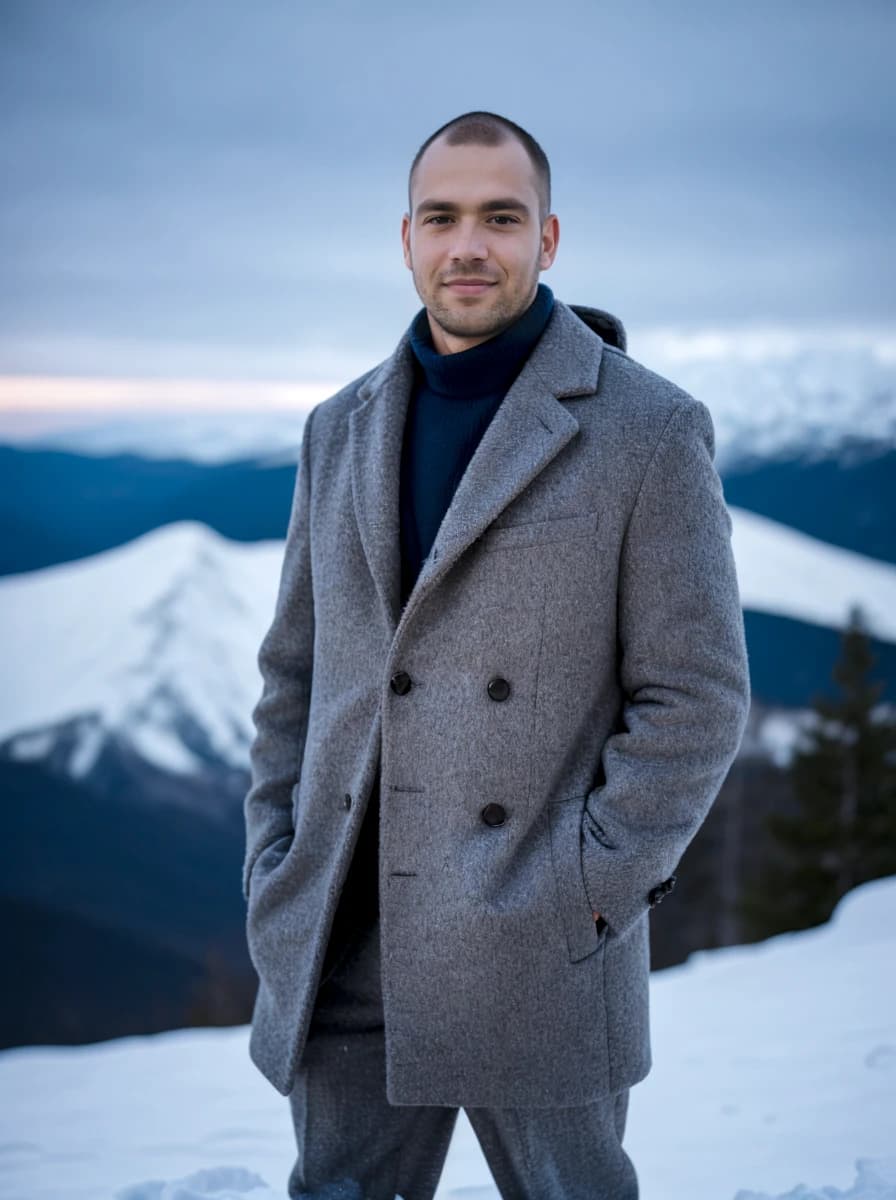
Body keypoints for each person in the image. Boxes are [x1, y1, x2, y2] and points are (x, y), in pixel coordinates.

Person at [242, 110, 751, 1199]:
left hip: (535, 940)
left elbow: (694, 697)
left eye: (498, 217)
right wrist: (275, 858)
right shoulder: (339, 426)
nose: (467, 244)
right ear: (407, 237)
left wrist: (589, 892)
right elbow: (294, 671)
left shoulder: (646, 429)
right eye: (442, 217)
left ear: (547, 239)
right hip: (339, 925)